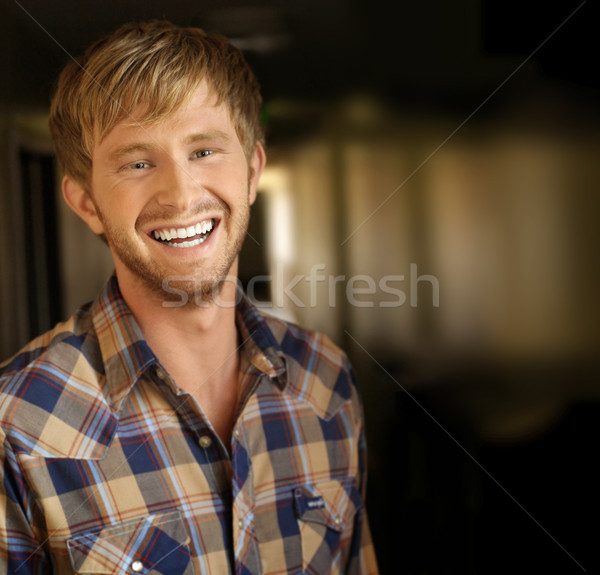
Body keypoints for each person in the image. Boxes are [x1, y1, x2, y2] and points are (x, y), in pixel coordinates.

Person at [0, 20, 378, 575]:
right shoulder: (17, 428)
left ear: (251, 171)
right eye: (137, 162)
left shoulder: (326, 379)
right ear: (85, 202)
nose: (180, 194)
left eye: (204, 151)